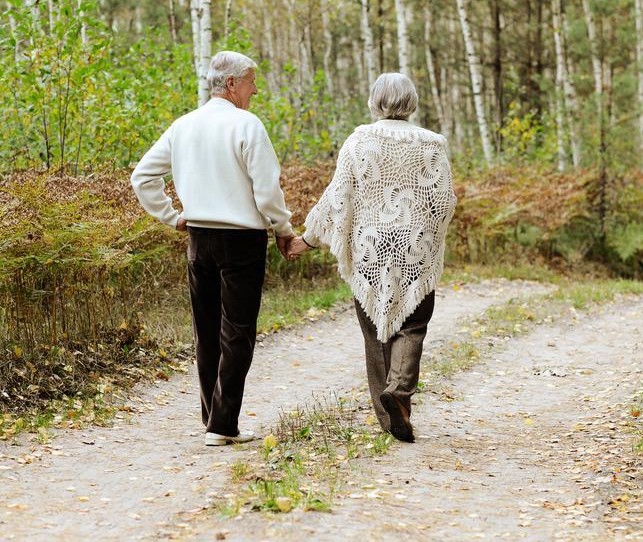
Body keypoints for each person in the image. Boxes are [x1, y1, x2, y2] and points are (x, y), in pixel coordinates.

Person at [130, 51, 296, 447]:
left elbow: (142, 177)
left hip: (199, 239)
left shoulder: (184, 126)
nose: (256, 89)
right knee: (237, 333)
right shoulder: (247, 125)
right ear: (233, 84)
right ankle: (222, 425)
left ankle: (213, 419)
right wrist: (283, 228)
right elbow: (267, 190)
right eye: (252, 81)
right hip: (241, 241)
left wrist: (174, 217)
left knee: (206, 332)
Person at [288, 73, 457, 442]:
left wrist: (308, 239)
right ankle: (399, 392)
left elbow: (338, 198)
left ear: (374, 101)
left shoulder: (359, 140)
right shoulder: (432, 144)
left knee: (374, 330)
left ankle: (388, 418)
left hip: (370, 247)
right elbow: (444, 201)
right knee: (413, 325)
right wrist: (427, 233)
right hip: (415, 243)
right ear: (411, 102)